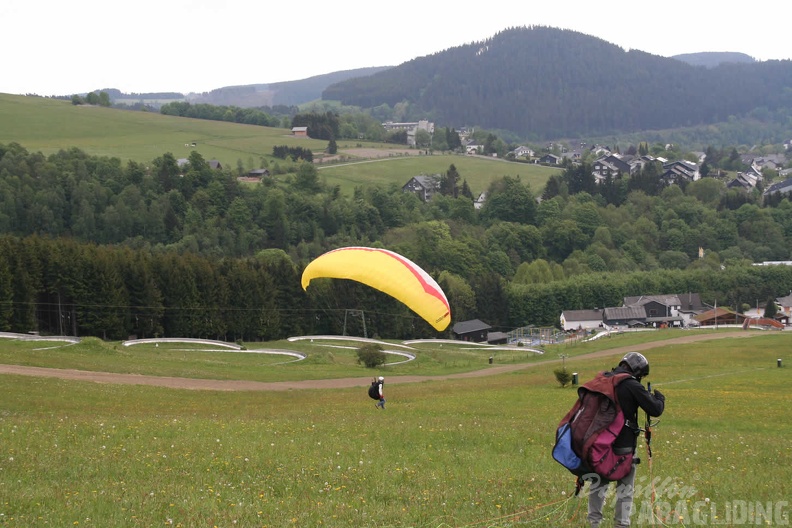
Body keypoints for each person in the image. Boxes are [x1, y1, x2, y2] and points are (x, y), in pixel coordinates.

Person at [587, 352, 665, 528]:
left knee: (598, 486)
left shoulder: (604, 379)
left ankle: (593, 523)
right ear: (637, 371)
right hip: (624, 446)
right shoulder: (630, 384)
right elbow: (655, 409)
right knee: (625, 490)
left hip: (599, 445)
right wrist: (660, 398)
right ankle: (621, 525)